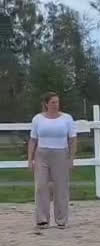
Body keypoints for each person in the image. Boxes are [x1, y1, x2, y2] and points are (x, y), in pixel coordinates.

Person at [27, 92, 77, 229]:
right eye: (53, 102)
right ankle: (42, 219)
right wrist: (30, 159)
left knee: (61, 187)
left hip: (60, 154)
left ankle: (61, 219)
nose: (56, 105)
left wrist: (71, 158)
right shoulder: (38, 119)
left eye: (57, 102)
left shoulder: (67, 118)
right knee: (41, 186)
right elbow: (33, 140)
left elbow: (72, 139)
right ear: (46, 104)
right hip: (42, 154)